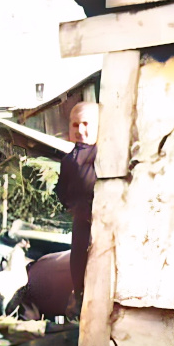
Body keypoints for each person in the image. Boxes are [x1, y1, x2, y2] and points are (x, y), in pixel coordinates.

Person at [55, 101, 99, 318]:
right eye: (75, 125)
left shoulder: (104, 156)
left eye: (86, 124)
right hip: (82, 222)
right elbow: (63, 193)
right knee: (79, 266)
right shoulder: (69, 160)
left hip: (106, 224)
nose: (80, 131)